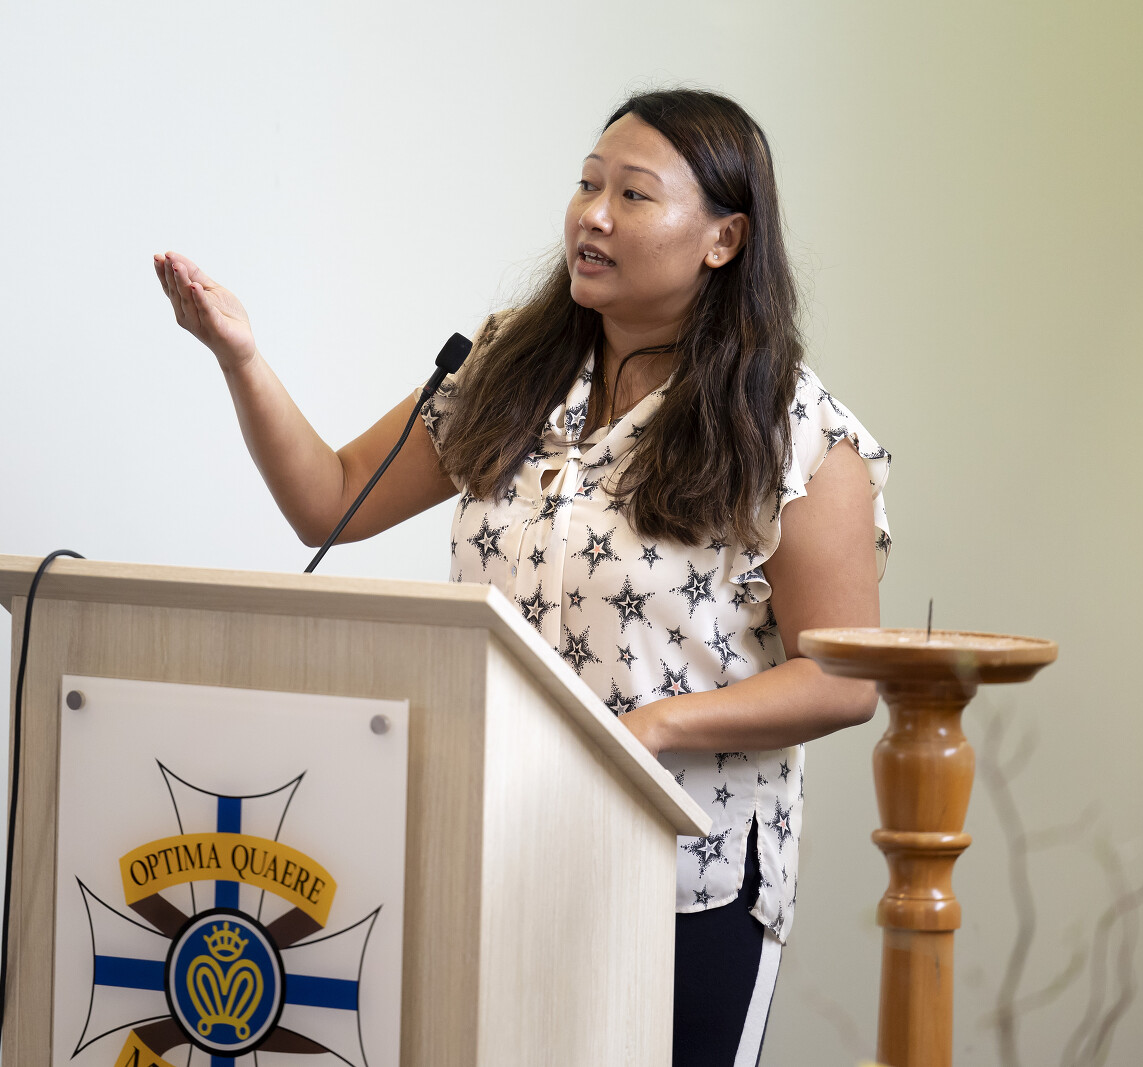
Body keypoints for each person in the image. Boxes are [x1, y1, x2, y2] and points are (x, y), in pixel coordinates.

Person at [153, 87, 890, 1067]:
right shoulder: (509, 365)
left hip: (681, 876)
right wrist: (240, 357)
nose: (593, 215)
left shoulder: (794, 429)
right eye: (587, 184)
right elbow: (329, 499)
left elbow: (843, 676)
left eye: (633, 194)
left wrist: (650, 728)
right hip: (489, 847)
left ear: (725, 238)